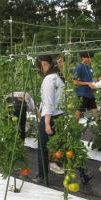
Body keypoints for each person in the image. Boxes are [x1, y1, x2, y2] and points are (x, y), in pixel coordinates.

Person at [33, 55, 65, 184]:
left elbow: (49, 103)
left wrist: (46, 123)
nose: (39, 70)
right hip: (60, 116)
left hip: (50, 117)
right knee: (59, 145)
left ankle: (42, 176)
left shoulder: (48, 79)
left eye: (39, 67)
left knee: (42, 147)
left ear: (44, 64)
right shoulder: (59, 78)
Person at [73, 52, 98, 121]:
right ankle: (74, 127)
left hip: (90, 94)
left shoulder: (89, 67)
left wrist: (97, 82)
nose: (90, 59)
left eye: (90, 57)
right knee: (79, 111)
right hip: (82, 94)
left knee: (95, 110)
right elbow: (75, 82)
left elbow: (91, 79)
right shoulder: (79, 67)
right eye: (88, 57)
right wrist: (88, 83)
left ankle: (98, 128)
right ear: (83, 58)